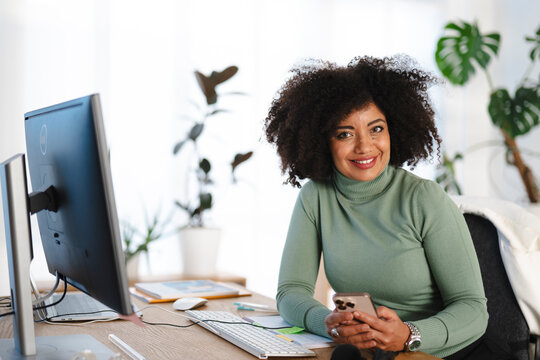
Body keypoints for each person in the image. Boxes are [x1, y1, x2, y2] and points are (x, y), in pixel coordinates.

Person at [264, 55, 508, 359]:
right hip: (374, 354)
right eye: (345, 133)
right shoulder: (316, 198)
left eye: (376, 129)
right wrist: (328, 323)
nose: (365, 146)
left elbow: (473, 309)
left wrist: (409, 334)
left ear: (394, 129)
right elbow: (291, 291)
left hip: (446, 352)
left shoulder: (424, 198)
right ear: (322, 140)